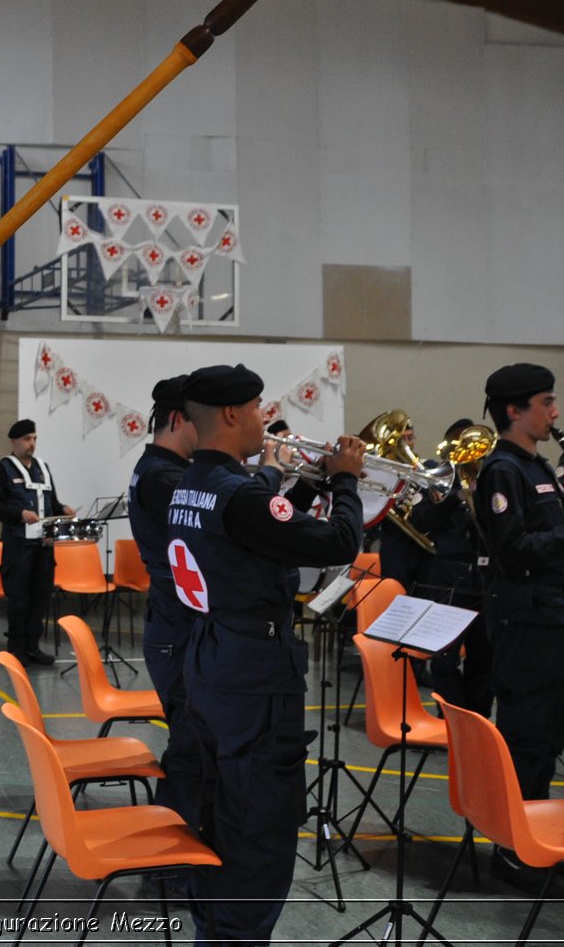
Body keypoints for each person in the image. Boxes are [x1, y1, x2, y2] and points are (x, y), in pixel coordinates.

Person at [169, 364, 364, 945]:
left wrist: (299, 484)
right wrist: (347, 481)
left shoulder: (193, 484)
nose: (265, 419)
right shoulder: (239, 494)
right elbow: (336, 541)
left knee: (216, 809)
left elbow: (262, 530)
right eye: (257, 407)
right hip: (253, 671)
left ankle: (214, 928)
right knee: (259, 824)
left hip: (210, 657)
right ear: (231, 415)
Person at [473, 364, 564, 889]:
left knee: (550, 736)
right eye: (546, 402)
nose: (555, 412)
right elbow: (512, 551)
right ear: (515, 411)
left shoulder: (538, 466)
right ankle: (513, 850)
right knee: (525, 737)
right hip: (525, 621)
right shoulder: (502, 471)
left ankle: (537, 837)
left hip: (554, 618)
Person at [127, 376, 202, 826]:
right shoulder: (162, 477)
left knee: (192, 741)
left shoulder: (163, 470)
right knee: (191, 744)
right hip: (176, 628)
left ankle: (174, 849)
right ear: (178, 420)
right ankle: (170, 858)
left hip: (173, 623)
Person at [379, 417, 492, 716]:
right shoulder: (439, 477)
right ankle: (453, 721)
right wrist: (454, 498)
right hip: (447, 576)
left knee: (484, 656)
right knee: (444, 658)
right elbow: (421, 520)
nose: (470, 454)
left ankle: (477, 721)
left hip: (485, 575)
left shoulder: (493, 477)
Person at [0, 419, 75, 666]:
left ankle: (33, 645)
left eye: (34, 438)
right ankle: (16, 647)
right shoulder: (3, 469)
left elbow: (52, 503)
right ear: (14, 441)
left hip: (44, 545)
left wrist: (63, 508)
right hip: (18, 546)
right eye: (26, 439)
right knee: (19, 597)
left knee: (40, 594)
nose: (31, 444)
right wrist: (19, 514)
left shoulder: (43, 468)